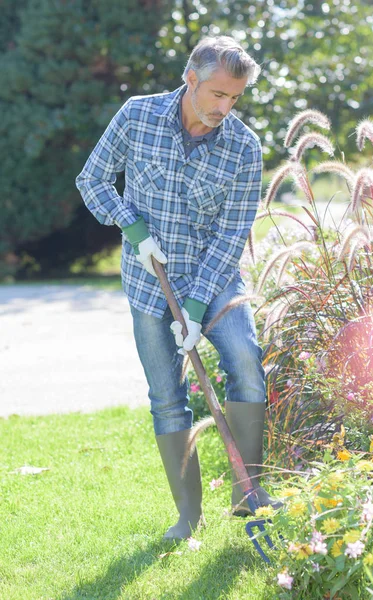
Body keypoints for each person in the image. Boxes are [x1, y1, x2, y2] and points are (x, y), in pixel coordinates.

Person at [76, 35, 281, 542]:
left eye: (235, 97)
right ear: (191, 78)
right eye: (217, 94)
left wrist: (193, 305)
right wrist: (134, 229)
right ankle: (188, 517)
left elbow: (233, 233)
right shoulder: (137, 117)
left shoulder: (243, 147)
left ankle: (248, 495)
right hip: (149, 283)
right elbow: (94, 180)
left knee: (246, 364)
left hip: (212, 278)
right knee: (167, 397)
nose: (224, 107)